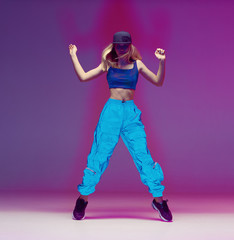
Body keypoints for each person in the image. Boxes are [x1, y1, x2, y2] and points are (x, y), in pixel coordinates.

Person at [69, 31, 173, 222]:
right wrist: (74, 55)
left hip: (131, 115)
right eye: (118, 45)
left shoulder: (138, 64)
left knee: (143, 155)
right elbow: (83, 77)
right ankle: (82, 199)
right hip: (111, 112)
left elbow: (158, 81)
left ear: (130, 46)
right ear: (114, 46)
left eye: (124, 45)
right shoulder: (108, 64)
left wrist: (162, 61)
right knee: (99, 154)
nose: (121, 48)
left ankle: (158, 201)